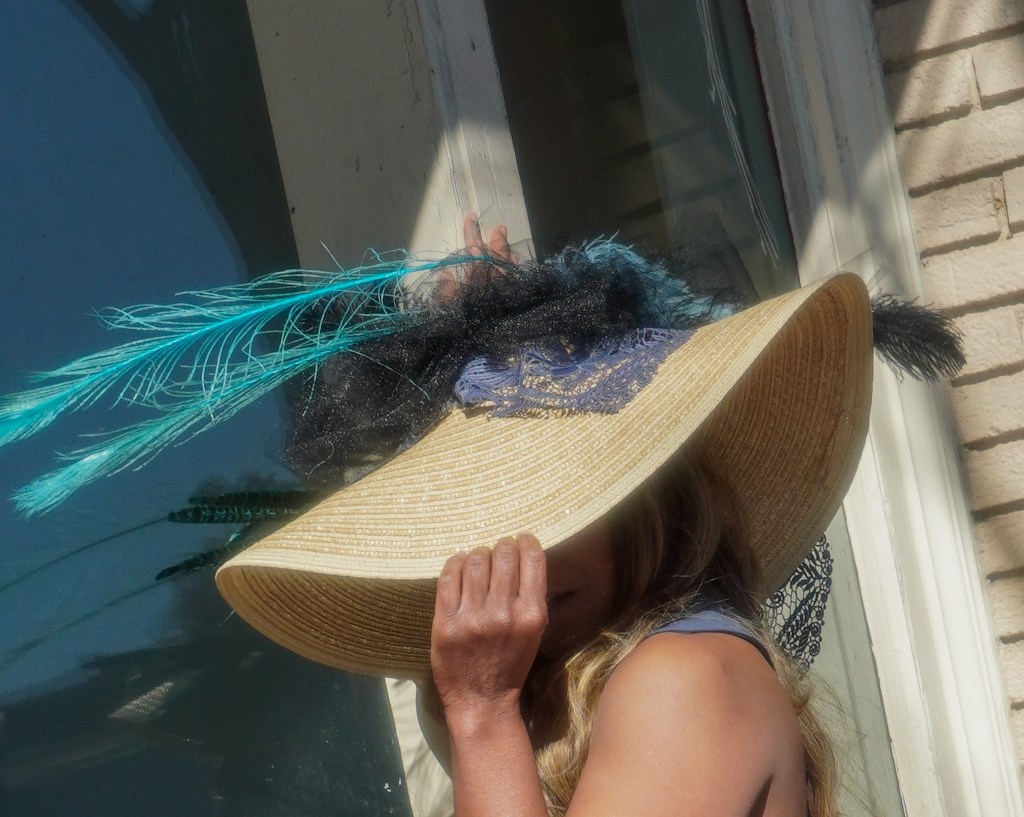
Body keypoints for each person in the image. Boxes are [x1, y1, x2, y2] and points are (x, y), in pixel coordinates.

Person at [214, 215, 961, 817]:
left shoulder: (683, 681)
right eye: (473, 522)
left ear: (641, 493)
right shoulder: (595, 686)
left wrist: (482, 712)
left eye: (548, 502)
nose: (515, 555)